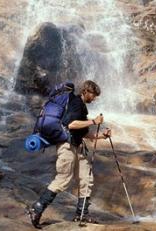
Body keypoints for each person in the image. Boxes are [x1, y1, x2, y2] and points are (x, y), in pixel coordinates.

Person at [26, 80, 111, 229]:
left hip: (78, 146)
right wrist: (93, 121)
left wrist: (102, 136)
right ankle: (36, 208)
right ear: (86, 91)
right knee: (63, 179)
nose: (95, 98)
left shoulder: (82, 107)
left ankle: (82, 214)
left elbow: (83, 132)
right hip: (67, 146)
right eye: (93, 95)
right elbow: (70, 124)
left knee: (86, 178)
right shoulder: (75, 102)